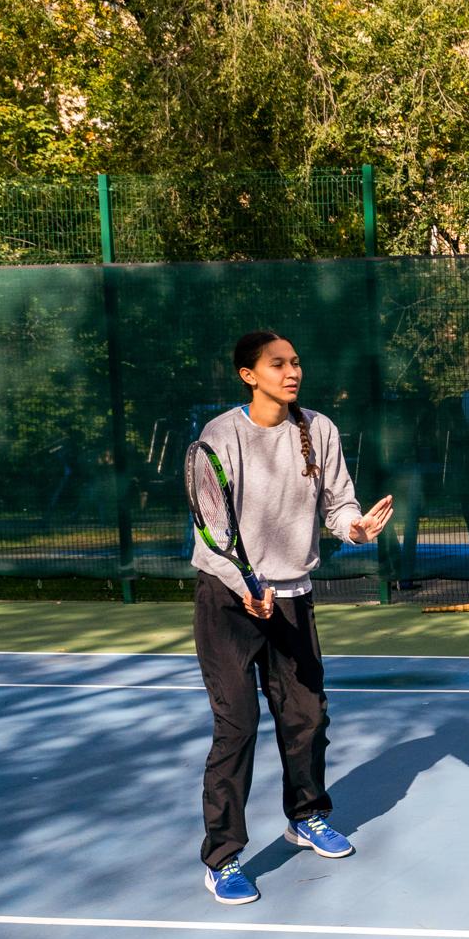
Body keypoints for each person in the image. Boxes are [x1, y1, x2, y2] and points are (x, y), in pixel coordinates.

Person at [191, 331, 394, 905]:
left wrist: (354, 528)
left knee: (306, 716)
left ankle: (306, 817)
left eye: (296, 361)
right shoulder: (221, 437)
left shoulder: (320, 430)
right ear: (248, 375)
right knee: (237, 728)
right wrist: (246, 583)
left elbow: (338, 503)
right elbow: (216, 528)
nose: (291, 371)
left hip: (292, 598)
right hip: (229, 601)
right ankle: (224, 857)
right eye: (277, 363)